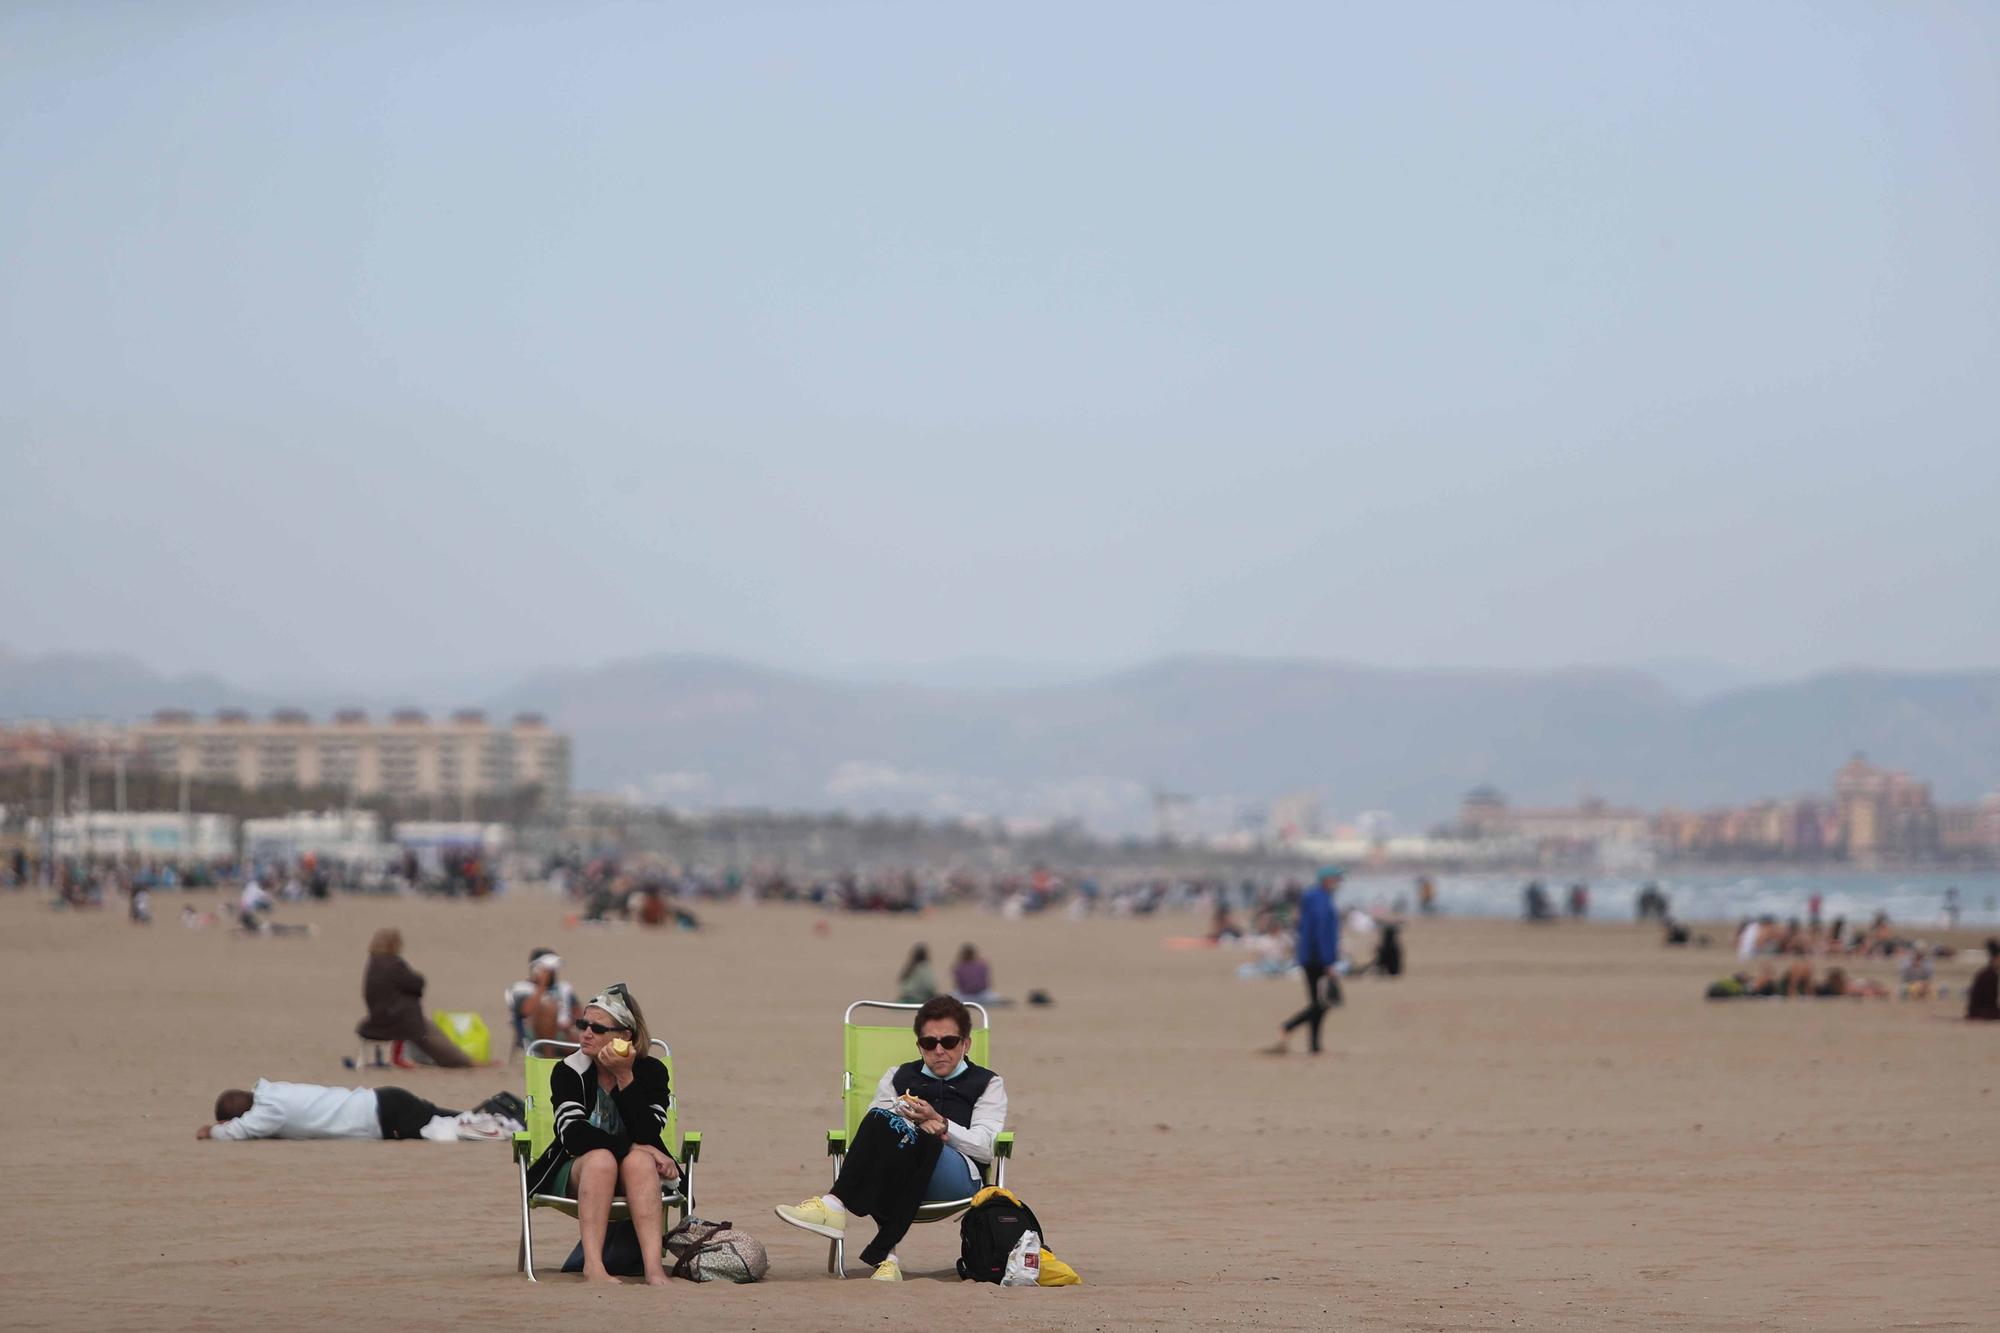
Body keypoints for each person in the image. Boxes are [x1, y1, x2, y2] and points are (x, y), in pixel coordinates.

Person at [774, 995, 1006, 1282]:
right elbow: (874, 1132)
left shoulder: (987, 1083)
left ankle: (835, 1207)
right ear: (918, 1045)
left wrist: (942, 1124)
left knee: (911, 1142)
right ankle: (887, 1260)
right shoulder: (897, 1076)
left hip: (956, 1177)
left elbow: (985, 1147)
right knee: (881, 1123)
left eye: (949, 1042)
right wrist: (910, 1117)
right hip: (902, 1168)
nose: (939, 1050)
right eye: (929, 1043)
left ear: (965, 1044)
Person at [522, 984, 680, 1286]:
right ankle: (593, 1267)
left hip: (636, 1174)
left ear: (624, 1037)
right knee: (602, 1160)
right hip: (576, 1171)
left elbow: (648, 1130)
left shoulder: (651, 1073)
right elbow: (574, 1136)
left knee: (638, 1163)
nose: (585, 1033)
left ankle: (654, 1270)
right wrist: (639, 1147)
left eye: (597, 1028)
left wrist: (625, 1077)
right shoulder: (568, 1071)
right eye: (583, 1024)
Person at [356, 928, 473, 1068]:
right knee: (430, 1036)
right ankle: (463, 1062)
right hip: (399, 1018)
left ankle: (462, 1060)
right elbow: (415, 983)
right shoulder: (394, 963)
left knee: (424, 1027)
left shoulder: (373, 963)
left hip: (379, 1014)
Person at [198, 1080, 460, 1141]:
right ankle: (498, 1113)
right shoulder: (273, 1090)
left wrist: (211, 1130)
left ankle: (499, 1113)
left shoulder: (269, 1112)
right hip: (383, 1099)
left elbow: (234, 1133)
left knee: (463, 1126)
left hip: (384, 1117)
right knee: (457, 1120)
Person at [1265, 865, 1342, 1055]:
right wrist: (1327, 962)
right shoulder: (1320, 900)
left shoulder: (1313, 897)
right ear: (1327, 880)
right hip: (1316, 958)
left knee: (1318, 1002)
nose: (1339, 883)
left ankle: (1314, 1045)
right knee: (1321, 1003)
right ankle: (1288, 1027)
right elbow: (1320, 932)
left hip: (1310, 955)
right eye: (1336, 879)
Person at [505, 948, 579, 1055]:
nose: (552, 973)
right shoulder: (521, 988)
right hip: (534, 1035)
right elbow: (526, 1011)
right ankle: (548, 1056)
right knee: (548, 1006)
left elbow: (578, 1013)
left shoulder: (564, 987)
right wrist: (542, 985)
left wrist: (570, 1022)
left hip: (564, 1033)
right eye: (548, 970)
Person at [1967, 938, 2000, 1021]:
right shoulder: (1990, 975)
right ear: (1996, 958)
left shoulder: (1988, 973)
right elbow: (1989, 1003)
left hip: (1978, 1011)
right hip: (1981, 1013)